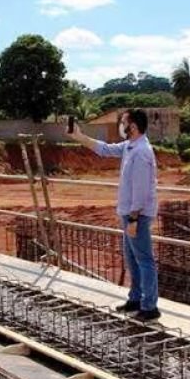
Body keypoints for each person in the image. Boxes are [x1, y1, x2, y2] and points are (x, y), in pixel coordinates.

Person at [68, 109, 160, 321]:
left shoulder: (141, 152)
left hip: (137, 215)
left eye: (124, 122)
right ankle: (136, 299)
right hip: (129, 214)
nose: (121, 125)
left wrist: (135, 218)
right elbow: (104, 149)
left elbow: (141, 189)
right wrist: (79, 137)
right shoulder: (130, 147)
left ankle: (149, 306)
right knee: (133, 259)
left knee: (144, 260)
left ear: (133, 126)